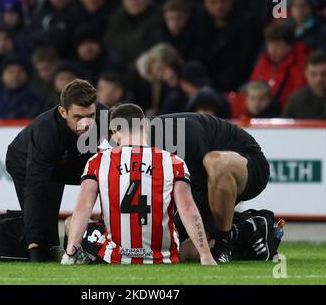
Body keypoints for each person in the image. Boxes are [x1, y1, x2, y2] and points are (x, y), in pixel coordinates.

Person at [62, 103, 216, 265]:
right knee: (186, 243)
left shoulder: (98, 161)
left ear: (114, 133)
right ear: (146, 126)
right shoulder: (173, 162)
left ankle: (81, 255)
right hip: (162, 257)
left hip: (116, 256)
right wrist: (205, 255)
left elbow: (83, 206)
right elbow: (187, 208)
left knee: (69, 223)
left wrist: (71, 252)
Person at [5, 79, 109, 262]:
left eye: (91, 116)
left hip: (71, 158)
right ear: (62, 111)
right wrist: (34, 245)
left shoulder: (105, 116)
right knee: (44, 210)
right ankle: (41, 247)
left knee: (112, 175)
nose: (85, 124)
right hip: (24, 160)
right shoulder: (47, 131)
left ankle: (78, 243)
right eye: (77, 117)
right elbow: (35, 190)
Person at [151, 112, 271, 263]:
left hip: (248, 163)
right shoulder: (134, 144)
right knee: (180, 251)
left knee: (215, 162)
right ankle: (246, 230)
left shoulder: (176, 134)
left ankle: (224, 244)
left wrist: (179, 232)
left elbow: (198, 192)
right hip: (204, 184)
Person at [250, 20, 311, 108]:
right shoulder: (264, 61)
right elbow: (253, 87)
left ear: (290, 46)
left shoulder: (301, 65)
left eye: (278, 45)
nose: (273, 50)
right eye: (270, 45)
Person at [0, 55, 45, 119]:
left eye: (19, 71)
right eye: (10, 72)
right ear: (2, 76)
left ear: (27, 75)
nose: (15, 76)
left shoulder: (35, 98)